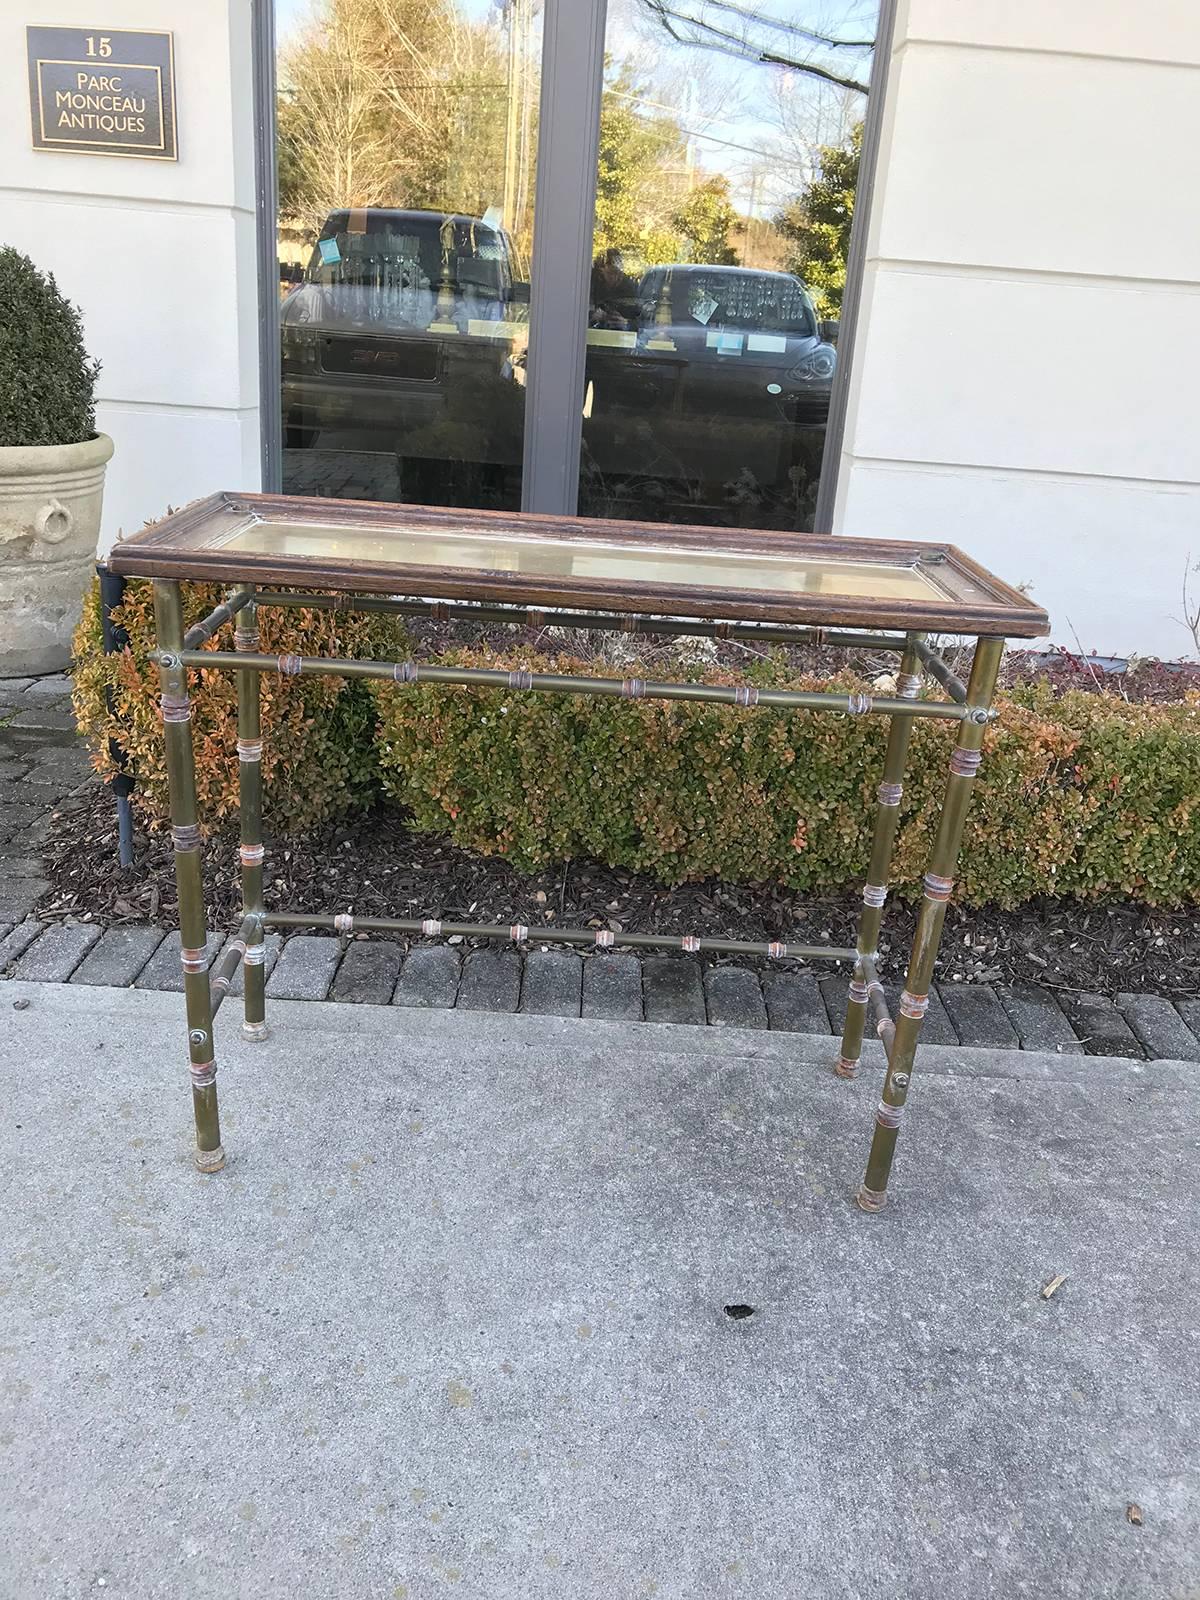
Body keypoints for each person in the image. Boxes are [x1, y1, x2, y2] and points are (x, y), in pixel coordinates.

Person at [589, 249, 639, 329]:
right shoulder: (591, 283)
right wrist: (593, 314)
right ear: (601, 272)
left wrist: (626, 323)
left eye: (619, 273)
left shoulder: (630, 288)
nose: (616, 277)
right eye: (611, 273)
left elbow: (641, 320)